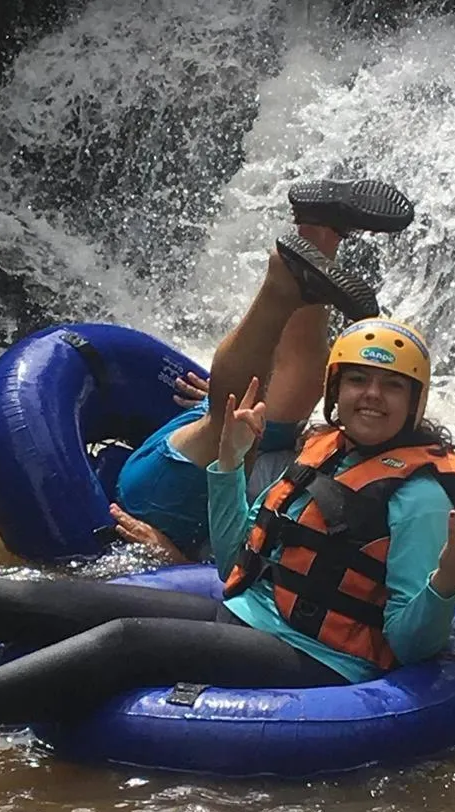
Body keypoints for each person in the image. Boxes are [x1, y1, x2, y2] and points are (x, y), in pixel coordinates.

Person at [0, 314, 455, 770]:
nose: (372, 396)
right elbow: (239, 559)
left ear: (414, 402)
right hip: (250, 613)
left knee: (126, 640)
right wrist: (229, 464)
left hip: (321, 660)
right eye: (358, 379)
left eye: (391, 386)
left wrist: (447, 579)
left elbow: (412, 645)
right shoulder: (325, 450)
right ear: (336, 390)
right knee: (61, 601)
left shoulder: (421, 498)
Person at [113, 177, 415, 560]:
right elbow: (246, 576)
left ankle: (307, 248)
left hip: (168, 499)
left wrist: (175, 560)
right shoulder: (408, 470)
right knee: (262, 410)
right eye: (358, 381)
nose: (372, 395)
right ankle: (312, 242)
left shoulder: (388, 474)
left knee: (244, 422)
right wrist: (175, 562)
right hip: (166, 506)